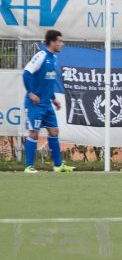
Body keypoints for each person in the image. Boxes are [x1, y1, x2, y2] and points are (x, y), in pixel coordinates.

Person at [22, 30, 74, 173]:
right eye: (59, 41)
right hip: (35, 104)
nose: (61, 44)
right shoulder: (41, 56)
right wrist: (30, 92)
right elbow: (26, 73)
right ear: (52, 42)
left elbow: (48, 80)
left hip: (47, 103)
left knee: (54, 131)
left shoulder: (54, 58)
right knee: (34, 133)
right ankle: (28, 166)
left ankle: (58, 166)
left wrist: (53, 99)